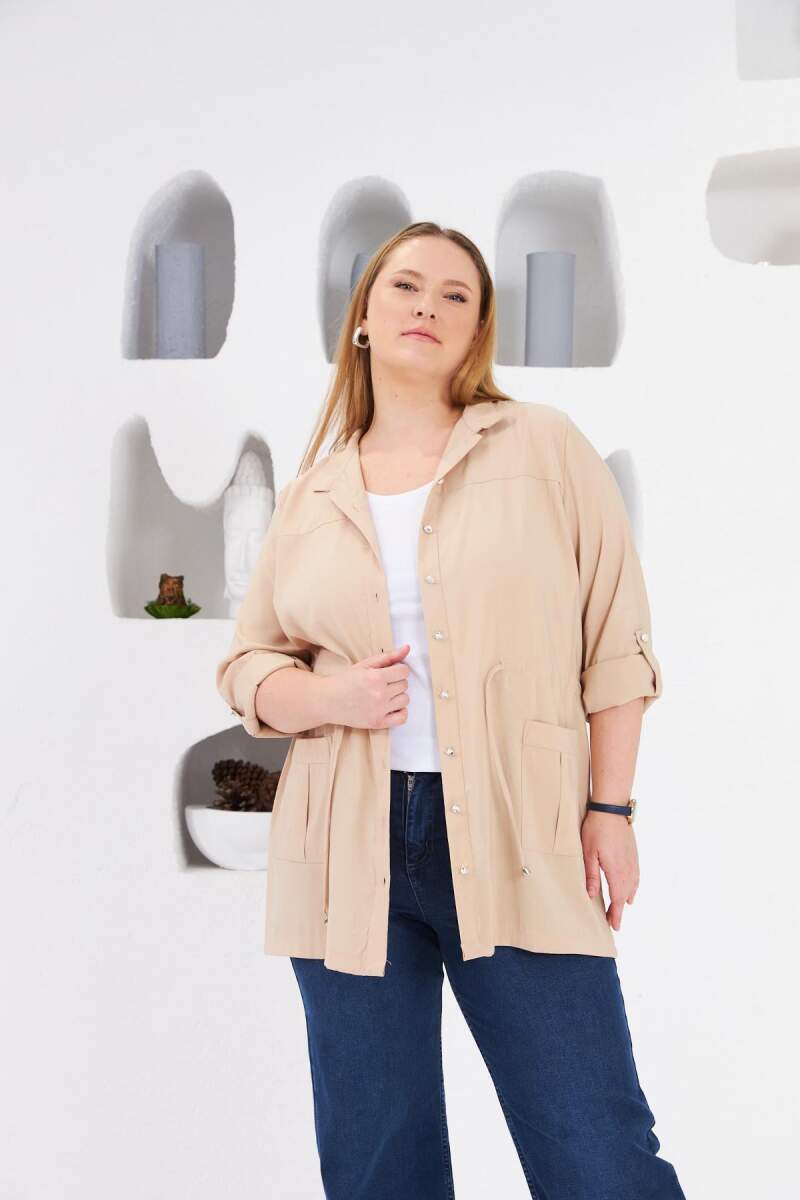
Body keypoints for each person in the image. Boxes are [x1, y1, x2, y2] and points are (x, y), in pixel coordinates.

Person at [215, 222, 687, 1199]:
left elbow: (616, 640)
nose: (426, 305)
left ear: (476, 331)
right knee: (375, 1166)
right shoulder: (311, 494)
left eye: (455, 295)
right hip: (342, 843)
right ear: (363, 317)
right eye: (404, 286)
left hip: (519, 831)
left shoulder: (543, 448)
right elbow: (248, 665)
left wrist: (610, 809)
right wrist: (332, 696)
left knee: (596, 1154)